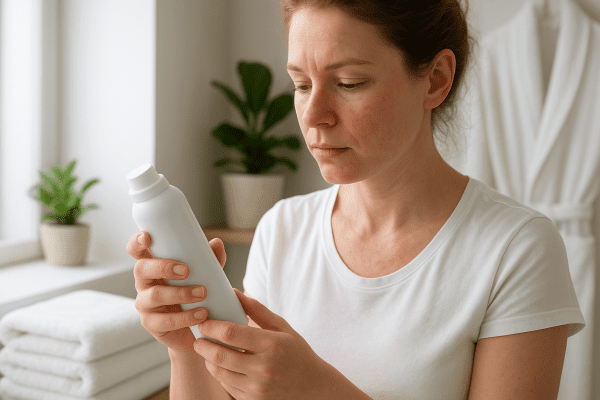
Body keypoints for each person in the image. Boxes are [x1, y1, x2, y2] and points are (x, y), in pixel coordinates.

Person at [126, 1, 585, 399]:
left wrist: (320, 392)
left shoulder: (517, 249)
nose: (313, 116)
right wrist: (187, 350)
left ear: (436, 79)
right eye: (302, 85)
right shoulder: (281, 229)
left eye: (348, 83)